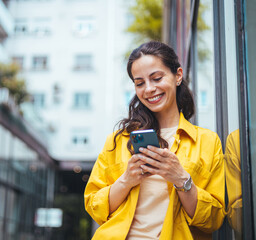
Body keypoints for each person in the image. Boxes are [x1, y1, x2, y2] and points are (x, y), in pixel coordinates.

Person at [84, 41, 225, 240]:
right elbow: (94, 206)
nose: (149, 89)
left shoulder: (207, 142)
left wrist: (182, 180)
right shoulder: (118, 141)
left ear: (178, 75)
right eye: (139, 83)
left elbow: (214, 219)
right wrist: (126, 181)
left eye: (156, 78)